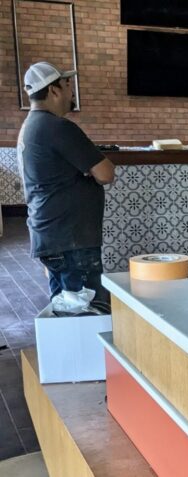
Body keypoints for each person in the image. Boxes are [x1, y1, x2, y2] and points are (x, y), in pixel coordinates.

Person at [17, 62, 115, 306]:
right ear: (54, 90)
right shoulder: (58, 127)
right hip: (71, 241)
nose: (72, 92)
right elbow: (105, 173)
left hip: (52, 236)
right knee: (84, 314)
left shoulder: (31, 125)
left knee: (65, 310)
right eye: (68, 85)